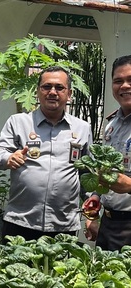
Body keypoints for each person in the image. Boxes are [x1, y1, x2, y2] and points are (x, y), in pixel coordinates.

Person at [0, 66, 93, 243]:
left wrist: (91, 213)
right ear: (38, 91)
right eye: (46, 87)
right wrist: (8, 158)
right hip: (20, 222)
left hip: (64, 225)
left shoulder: (82, 128)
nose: (52, 92)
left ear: (69, 94)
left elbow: (87, 174)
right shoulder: (18, 122)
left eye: (59, 87)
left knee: (59, 271)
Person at [83, 55, 131, 251]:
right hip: (109, 223)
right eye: (118, 81)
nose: (125, 86)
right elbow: (104, 171)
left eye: (130, 80)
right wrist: (96, 197)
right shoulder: (111, 124)